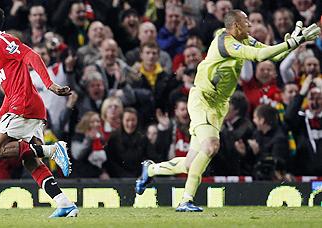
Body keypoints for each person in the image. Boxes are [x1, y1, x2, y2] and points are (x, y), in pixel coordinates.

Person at [135, 9, 320, 212]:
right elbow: (259, 56)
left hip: (218, 105)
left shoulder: (244, 39)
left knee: (190, 164)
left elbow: (271, 54)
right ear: (236, 26)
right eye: (246, 21)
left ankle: (151, 169)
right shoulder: (226, 42)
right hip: (203, 99)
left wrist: (295, 42)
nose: (250, 25)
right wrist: (290, 44)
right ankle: (185, 200)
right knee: (212, 146)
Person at [0, 5, 78, 217]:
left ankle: (53, 150)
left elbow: (32, 56)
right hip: (24, 105)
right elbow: (9, 92)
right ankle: (64, 203)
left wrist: (49, 84)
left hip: (24, 106)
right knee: (31, 161)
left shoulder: (3, 41)